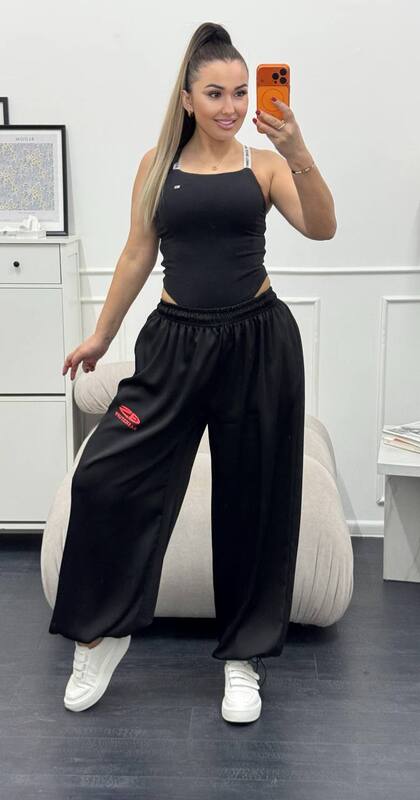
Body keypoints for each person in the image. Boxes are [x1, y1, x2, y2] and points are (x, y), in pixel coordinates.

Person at [48, 21, 336, 724]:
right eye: (215, 93)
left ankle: (243, 659)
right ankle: (102, 635)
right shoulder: (157, 164)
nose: (231, 106)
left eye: (240, 92)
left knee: (253, 502)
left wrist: (296, 148)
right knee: (104, 475)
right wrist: (100, 335)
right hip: (174, 344)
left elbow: (322, 226)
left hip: (259, 342)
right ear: (187, 98)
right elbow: (136, 254)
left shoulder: (264, 166)